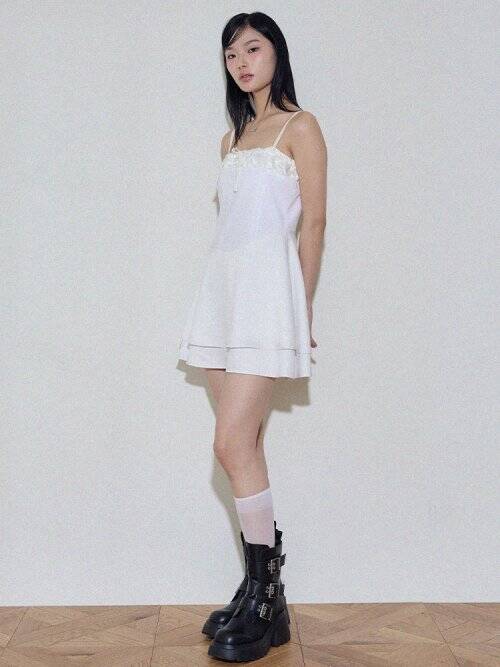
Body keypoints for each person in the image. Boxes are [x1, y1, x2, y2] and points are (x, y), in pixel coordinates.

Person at [177, 11, 327, 662]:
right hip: (223, 297)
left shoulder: (302, 127)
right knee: (247, 446)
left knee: (230, 441)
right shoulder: (230, 140)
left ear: (276, 54)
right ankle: (262, 595)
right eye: (231, 55)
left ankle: (264, 600)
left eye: (252, 49)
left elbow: (314, 224)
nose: (241, 63)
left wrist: (302, 307)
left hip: (268, 300)